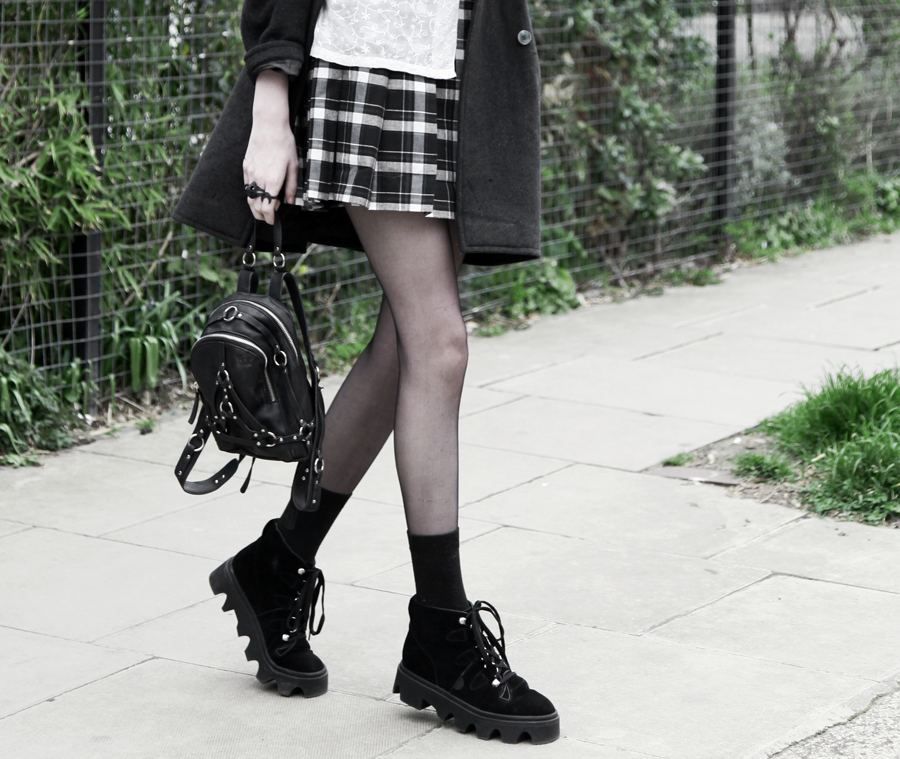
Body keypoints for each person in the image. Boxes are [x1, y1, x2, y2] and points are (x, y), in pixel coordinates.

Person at [172, 0, 559, 745]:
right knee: (438, 343)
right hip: (370, 68)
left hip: (446, 68)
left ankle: (278, 562)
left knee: (405, 344)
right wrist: (270, 107)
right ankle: (441, 631)